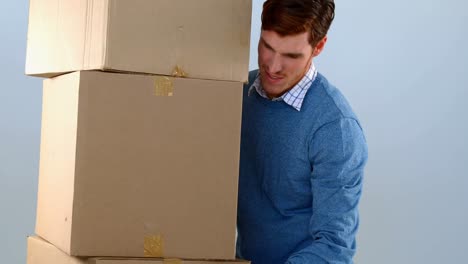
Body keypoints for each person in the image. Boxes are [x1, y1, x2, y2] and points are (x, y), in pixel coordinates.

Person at [236, 0, 368, 263]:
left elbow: (334, 246)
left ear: (318, 47)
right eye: (267, 46)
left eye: (291, 56)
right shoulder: (238, 94)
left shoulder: (335, 129)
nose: (272, 67)